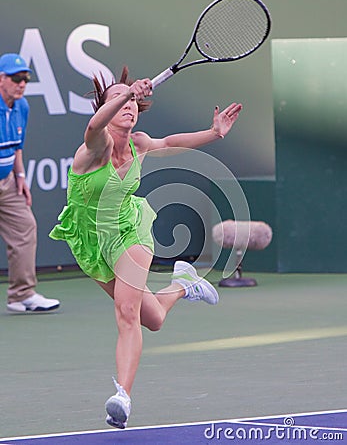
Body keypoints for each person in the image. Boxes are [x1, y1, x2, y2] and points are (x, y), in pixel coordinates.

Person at [49, 67, 242, 429]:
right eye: (120, 101)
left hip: (129, 230)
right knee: (151, 318)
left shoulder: (138, 144)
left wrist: (214, 133)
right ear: (106, 107)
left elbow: (169, 143)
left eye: (134, 101)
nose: (129, 106)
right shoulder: (95, 147)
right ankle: (184, 283)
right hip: (91, 240)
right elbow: (93, 127)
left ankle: (122, 396)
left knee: (126, 314)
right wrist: (125, 92)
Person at [0, 53, 60, 313]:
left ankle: (21, 295)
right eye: (16, 78)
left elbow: (17, 148)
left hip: (9, 181)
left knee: (25, 228)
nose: (21, 83)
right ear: (1, 79)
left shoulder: (22, 106)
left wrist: (21, 177)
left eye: (25, 78)